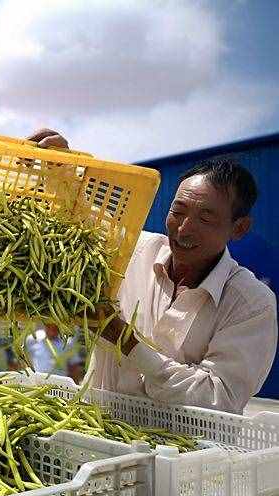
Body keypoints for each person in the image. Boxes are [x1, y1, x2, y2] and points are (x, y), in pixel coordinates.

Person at [27, 129, 277, 413]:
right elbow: (82, 219)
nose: (183, 229)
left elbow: (219, 397)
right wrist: (60, 171)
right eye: (178, 211)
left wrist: (127, 342)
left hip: (185, 453)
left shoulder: (251, 304)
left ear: (239, 228)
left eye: (205, 218)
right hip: (98, 434)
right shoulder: (133, 251)